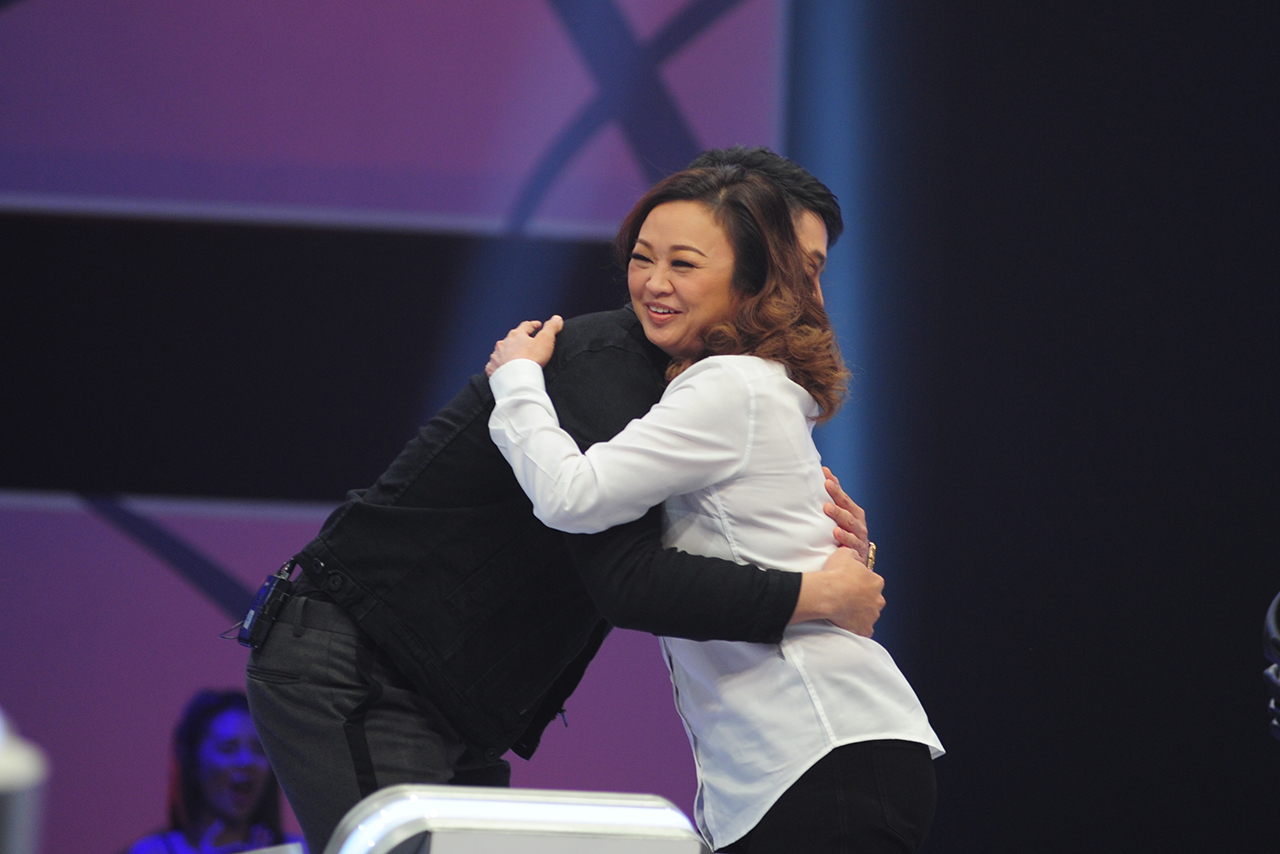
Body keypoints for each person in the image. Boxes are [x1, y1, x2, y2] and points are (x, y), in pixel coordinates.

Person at [246, 151, 886, 854]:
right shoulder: (611, 368)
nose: (804, 291)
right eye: (644, 259)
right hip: (364, 666)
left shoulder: (712, 385)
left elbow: (734, 537)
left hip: (451, 697)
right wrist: (818, 594)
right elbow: (624, 576)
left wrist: (837, 554)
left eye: (814, 270)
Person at [486, 165, 943, 853]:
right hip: (806, 762)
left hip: (821, 750)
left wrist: (518, 382)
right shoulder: (748, 386)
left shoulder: (730, 385)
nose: (654, 283)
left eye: (684, 263)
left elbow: (572, 496)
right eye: (642, 259)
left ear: (750, 281)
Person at [126, 691, 300, 854]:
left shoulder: (299, 849)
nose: (246, 761)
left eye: (259, 749)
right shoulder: (153, 850)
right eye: (228, 748)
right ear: (194, 762)